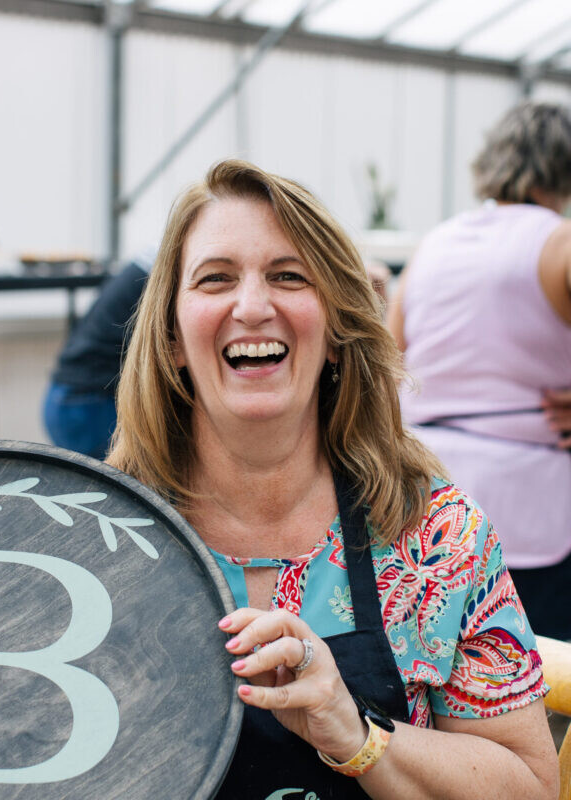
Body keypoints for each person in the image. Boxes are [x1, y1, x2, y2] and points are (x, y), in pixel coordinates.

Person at [107, 160, 558, 798]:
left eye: (289, 276)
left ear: (339, 330)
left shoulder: (438, 538)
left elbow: (530, 787)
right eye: (216, 280)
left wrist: (353, 732)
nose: (254, 306)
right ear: (172, 338)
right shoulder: (94, 538)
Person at [387, 101, 571, 640]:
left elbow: (391, 360)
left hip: (428, 493)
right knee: (538, 672)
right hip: (530, 498)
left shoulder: (434, 243)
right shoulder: (559, 243)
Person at [43, 249, 154, 459]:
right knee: (118, 488)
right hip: (89, 403)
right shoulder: (167, 267)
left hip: (68, 396)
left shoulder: (146, 262)